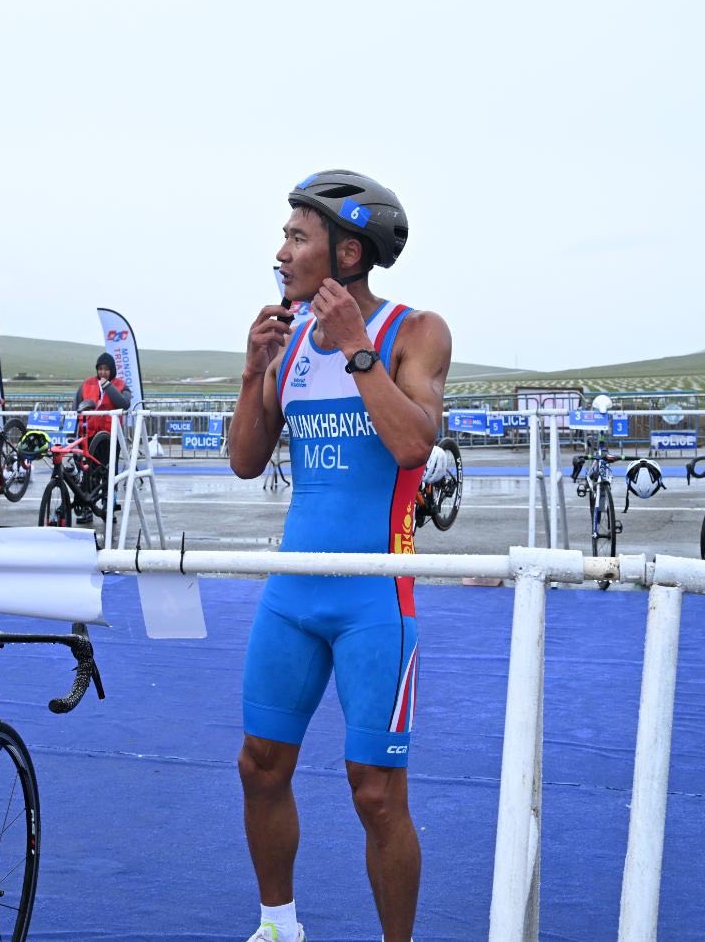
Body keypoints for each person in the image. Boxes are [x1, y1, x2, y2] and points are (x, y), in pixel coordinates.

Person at [228, 170, 452, 942]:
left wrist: (358, 349)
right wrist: (252, 371)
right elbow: (246, 461)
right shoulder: (289, 339)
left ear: (348, 251)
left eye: (297, 236)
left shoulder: (414, 331)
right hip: (293, 592)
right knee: (259, 765)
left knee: (377, 792)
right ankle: (278, 925)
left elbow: (414, 443)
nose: (280, 252)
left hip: (375, 597)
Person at [78, 352, 131, 472]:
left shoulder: (122, 386)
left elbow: (124, 404)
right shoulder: (86, 384)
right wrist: (71, 433)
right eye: (100, 369)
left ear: (112, 370)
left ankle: (111, 484)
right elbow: (76, 407)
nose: (103, 372)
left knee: (110, 470)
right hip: (88, 435)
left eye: (106, 369)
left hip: (110, 435)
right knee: (89, 470)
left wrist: (107, 386)